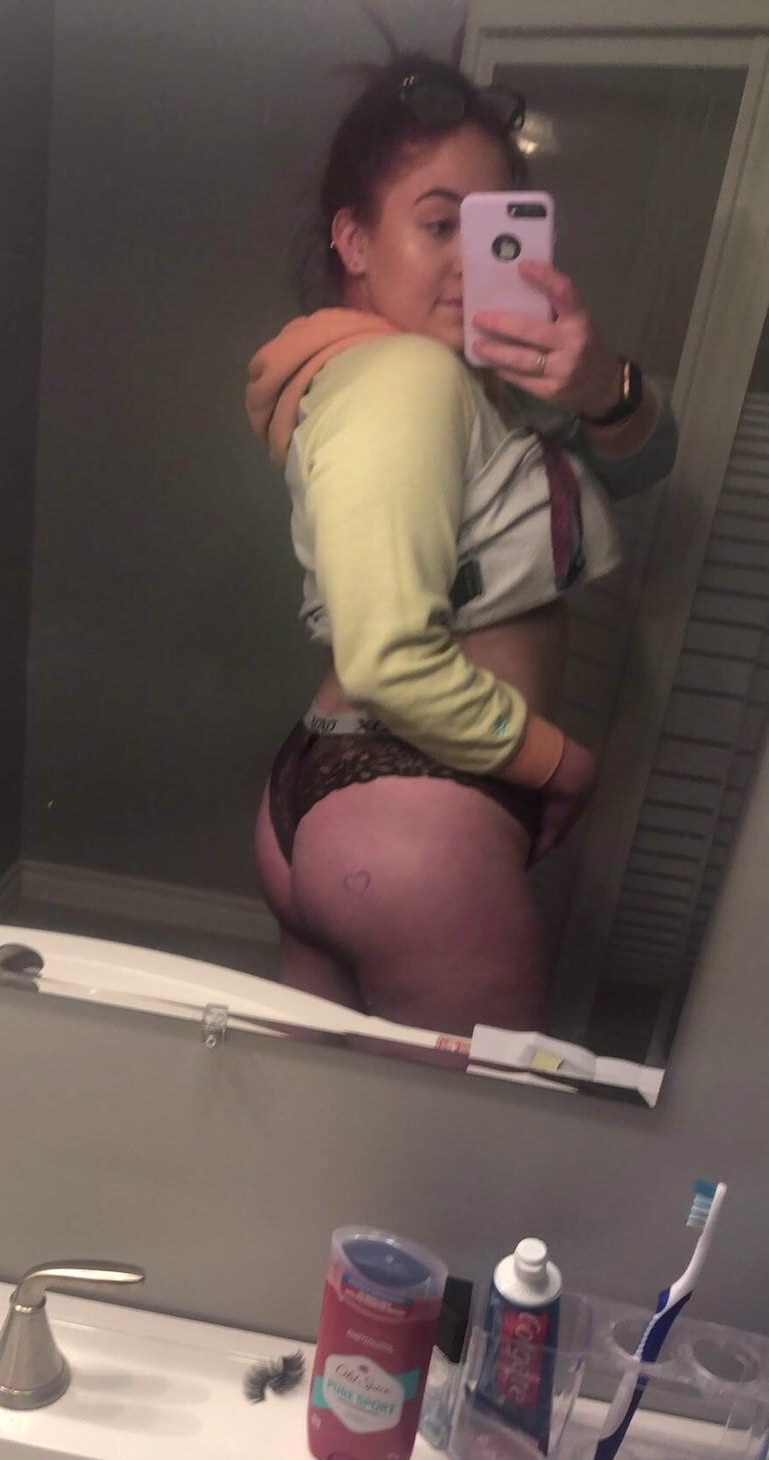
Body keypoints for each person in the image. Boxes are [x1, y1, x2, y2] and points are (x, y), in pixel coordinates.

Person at [246, 50, 678, 1036]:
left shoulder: (448, 377)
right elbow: (387, 658)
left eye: (488, 230)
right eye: (438, 225)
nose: (468, 261)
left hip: (337, 789)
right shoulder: (410, 380)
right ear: (355, 240)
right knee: (469, 1131)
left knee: (323, 1110)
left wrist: (599, 386)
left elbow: (643, 466)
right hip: (415, 813)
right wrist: (563, 764)